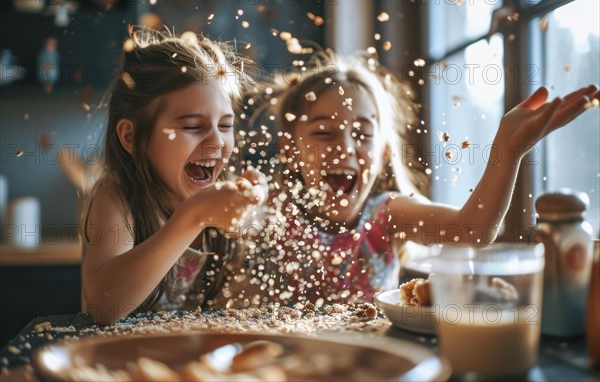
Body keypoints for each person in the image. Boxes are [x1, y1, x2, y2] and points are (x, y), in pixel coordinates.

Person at [240, 51, 599, 306]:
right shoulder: (270, 211)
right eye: (323, 133)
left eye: (363, 134)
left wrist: (509, 148)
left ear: (382, 154)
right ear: (290, 149)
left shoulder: (388, 215)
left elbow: (471, 231)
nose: (345, 148)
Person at [81, 28, 267, 325]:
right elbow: (103, 308)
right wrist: (194, 216)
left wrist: (256, 213)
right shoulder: (116, 197)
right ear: (132, 137)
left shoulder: (221, 196)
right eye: (193, 127)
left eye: (225, 125)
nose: (218, 143)